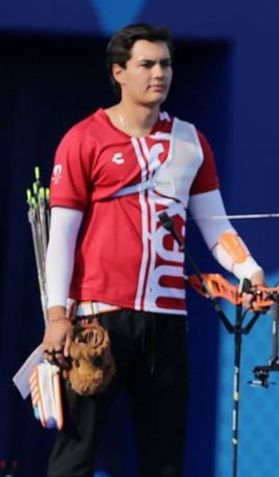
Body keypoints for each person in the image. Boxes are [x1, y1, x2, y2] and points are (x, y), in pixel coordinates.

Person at [41, 23, 266, 476]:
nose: (159, 73)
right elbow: (60, 235)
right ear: (119, 72)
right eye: (146, 64)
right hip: (96, 318)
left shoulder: (190, 142)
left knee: (164, 459)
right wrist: (57, 316)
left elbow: (215, 226)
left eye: (165, 63)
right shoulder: (84, 138)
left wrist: (251, 273)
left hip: (165, 319)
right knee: (76, 455)